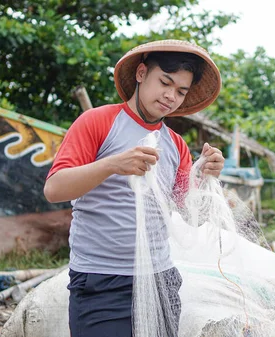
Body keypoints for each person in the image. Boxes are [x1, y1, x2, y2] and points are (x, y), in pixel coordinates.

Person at [43, 40, 225, 337]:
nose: (170, 96)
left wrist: (204, 177)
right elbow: (54, 189)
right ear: (141, 73)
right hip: (101, 280)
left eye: (181, 91)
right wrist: (112, 165)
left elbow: (191, 215)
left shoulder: (176, 145)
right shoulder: (97, 122)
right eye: (165, 82)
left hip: (159, 279)